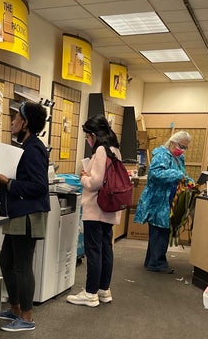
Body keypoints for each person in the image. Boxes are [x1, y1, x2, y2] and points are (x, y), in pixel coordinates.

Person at [0, 100, 50, 332]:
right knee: (6, 261)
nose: (12, 122)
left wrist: (8, 183)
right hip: (18, 213)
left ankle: (27, 316)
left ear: (25, 123)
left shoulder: (33, 148)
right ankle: (14, 308)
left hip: (27, 216)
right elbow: (17, 183)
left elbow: (39, 186)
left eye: (16, 118)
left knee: (22, 266)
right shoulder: (25, 147)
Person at [67, 114, 123, 307]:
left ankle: (90, 293)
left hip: (96, 207)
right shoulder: (114, 149)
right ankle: (103, 290)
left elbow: (96, 182)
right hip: (110, 208)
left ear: (93, 134)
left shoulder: (100, 150)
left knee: (94, 250)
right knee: (106, 248)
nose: (87, 140)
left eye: (87, 136)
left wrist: (84, 177)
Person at [134, 130, 192, 273]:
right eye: (181, 146)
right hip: (158, 199)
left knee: (162, 231)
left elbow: (182, 174)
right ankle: (157, 263)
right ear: (172, 143)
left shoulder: (179, 158)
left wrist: (188, 180)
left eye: (185, 147)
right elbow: (155, 174)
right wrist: (177, 175)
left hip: (169, 199)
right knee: (159, 231)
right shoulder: (161, 155)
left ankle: (152, 261)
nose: (183, 150)